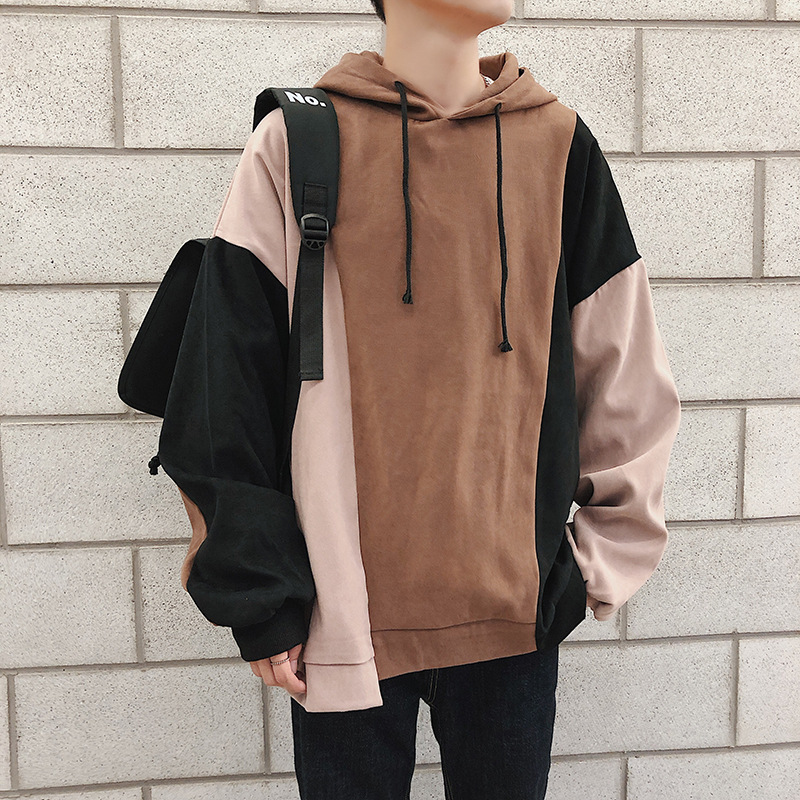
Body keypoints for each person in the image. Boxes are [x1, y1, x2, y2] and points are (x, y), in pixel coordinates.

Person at [156, 0, 682, 797]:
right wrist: (261, 597)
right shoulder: (297, 141)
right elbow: (223, 390)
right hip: (339, 622)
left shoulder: (559, 145)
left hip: (511, 625)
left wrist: (587, 569)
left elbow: (625, 374)